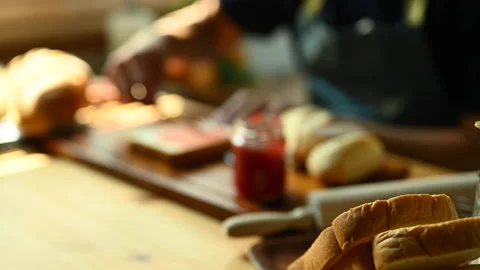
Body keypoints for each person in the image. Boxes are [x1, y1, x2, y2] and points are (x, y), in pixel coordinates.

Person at [103, 0, 480, 170]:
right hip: (316, 169)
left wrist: (342, 129)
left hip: (433, 185)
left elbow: (472, 146)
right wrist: (158, 40)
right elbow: (218, 24)